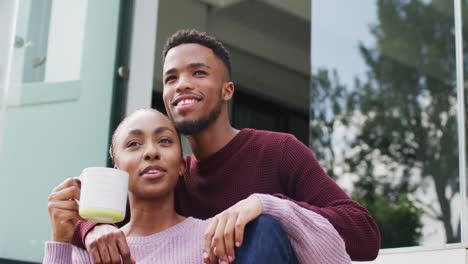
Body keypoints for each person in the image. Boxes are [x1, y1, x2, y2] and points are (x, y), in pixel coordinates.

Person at [73, 29, 381, 263]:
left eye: (198, 73)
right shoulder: (169, 175)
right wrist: (93, 229)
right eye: (170, 78)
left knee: (261, 227)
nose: (181, 84)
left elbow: (364, 235)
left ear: (227, 90)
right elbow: (75, 201)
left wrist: (268, 204)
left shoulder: (278, 151)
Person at [45, 109, 351, 264]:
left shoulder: (215, 240)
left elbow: (335, 257)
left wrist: (270, 204)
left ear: (181, 165)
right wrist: (61, 239)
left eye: (165, 141)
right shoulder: (94, 249)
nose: (151, 151)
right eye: (135, 144)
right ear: (117, 169)